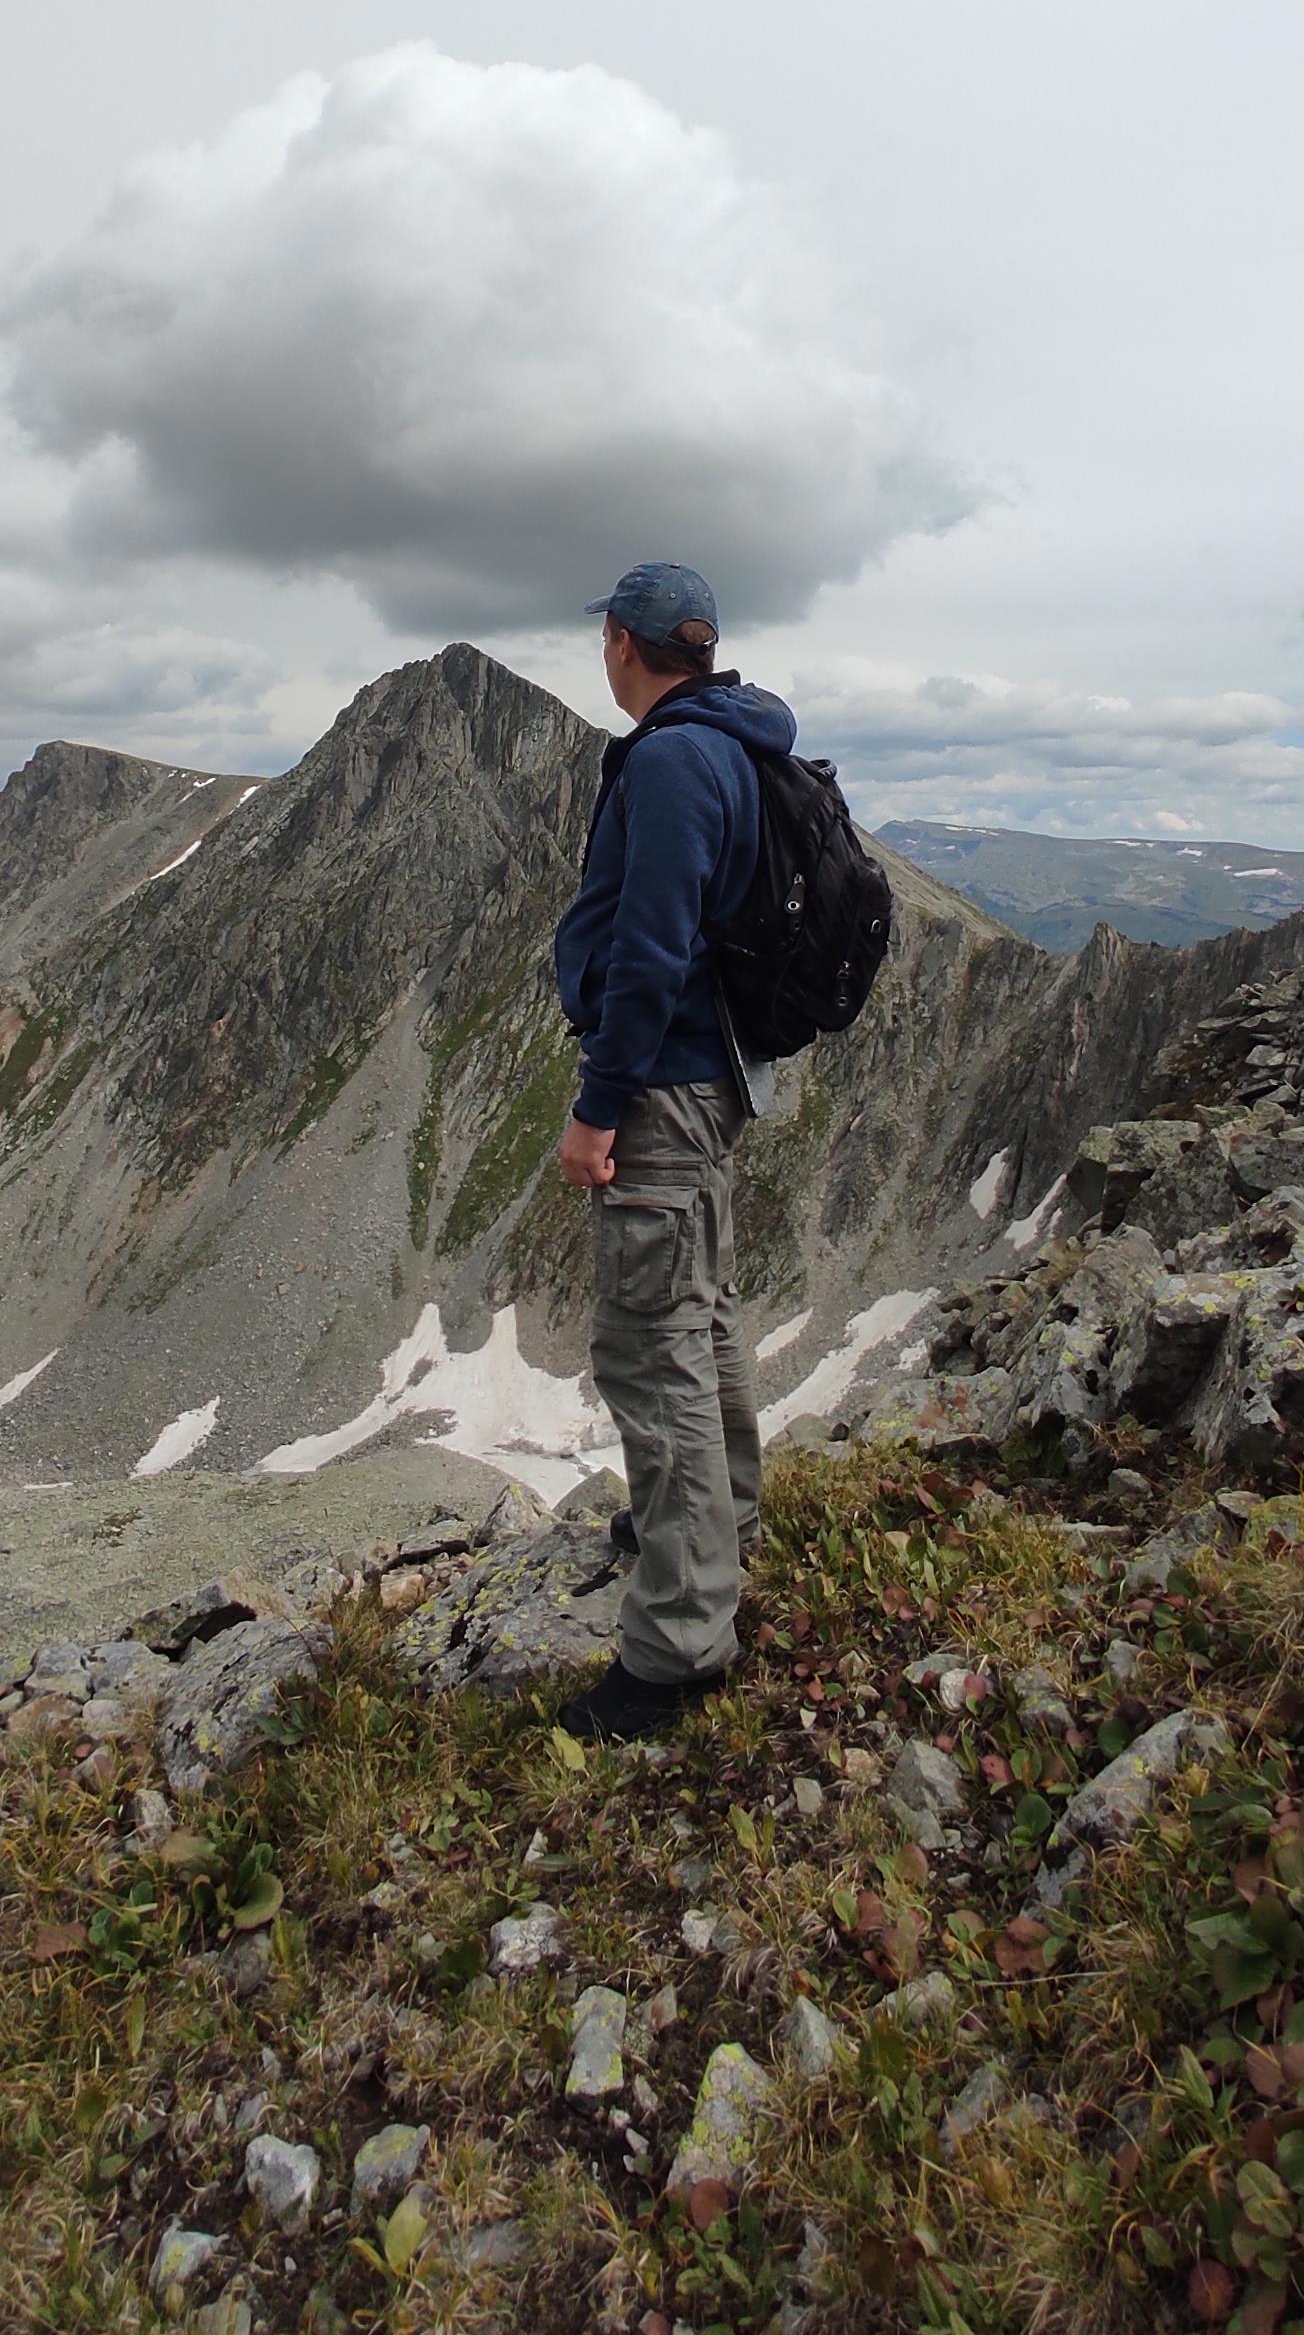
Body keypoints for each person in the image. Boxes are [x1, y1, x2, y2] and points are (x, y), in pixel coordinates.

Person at [552, 562, 797, 1741]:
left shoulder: (666, 760)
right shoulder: (736, 742)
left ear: (622, 644)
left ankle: (679, 1647)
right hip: (718, 1073)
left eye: (605, 639)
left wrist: (598, 1108)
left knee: (652, 1347)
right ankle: (714, 1525)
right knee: (699, 1312)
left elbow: (651, 951)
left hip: (662, 1083)